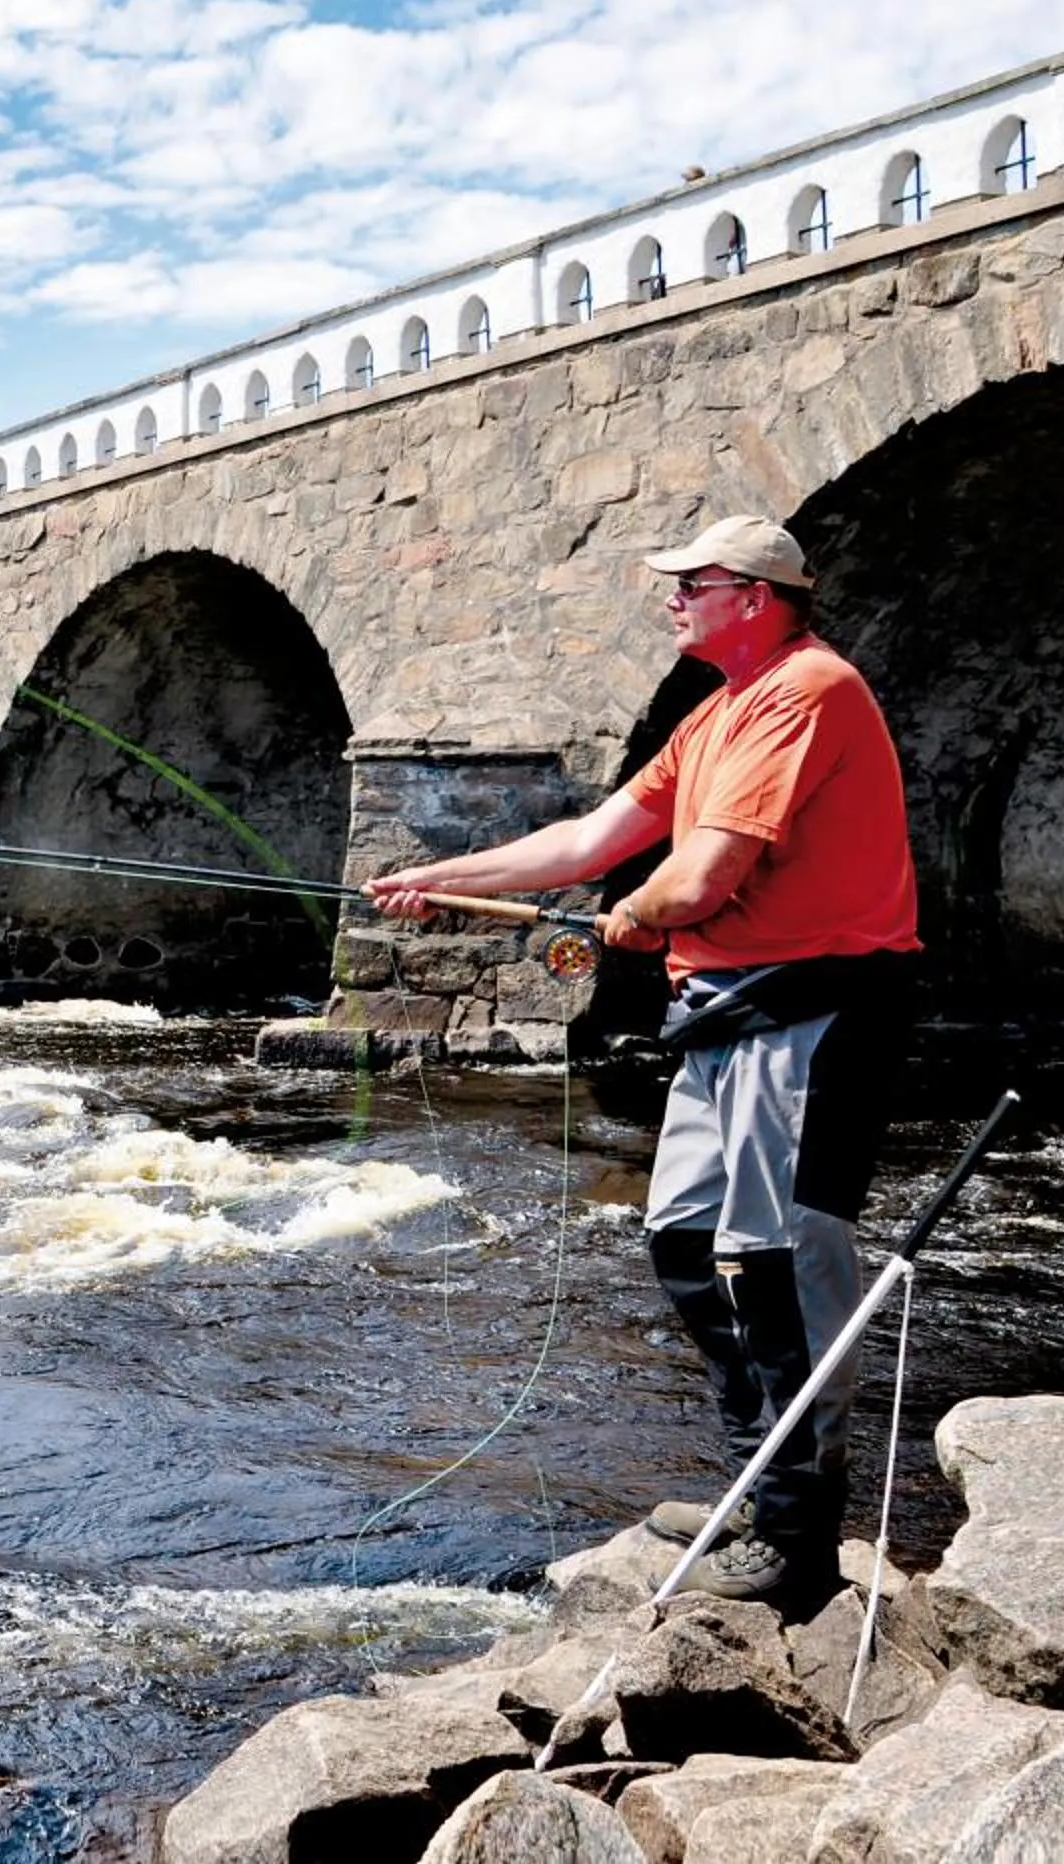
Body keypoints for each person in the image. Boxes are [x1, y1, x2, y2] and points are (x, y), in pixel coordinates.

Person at [366, 515, 921, 1608]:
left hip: (812, 1014)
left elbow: (700, 880)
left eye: (692, 584)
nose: (670, 598)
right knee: (681, 1240)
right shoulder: (715, 714)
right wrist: (442, 875)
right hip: (724, 1015)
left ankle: (800, 1535)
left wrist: (636, 916)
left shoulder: (805, 692)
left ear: (756, 597)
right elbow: (586, 840)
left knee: (781, 1260)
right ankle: (757, 1484)